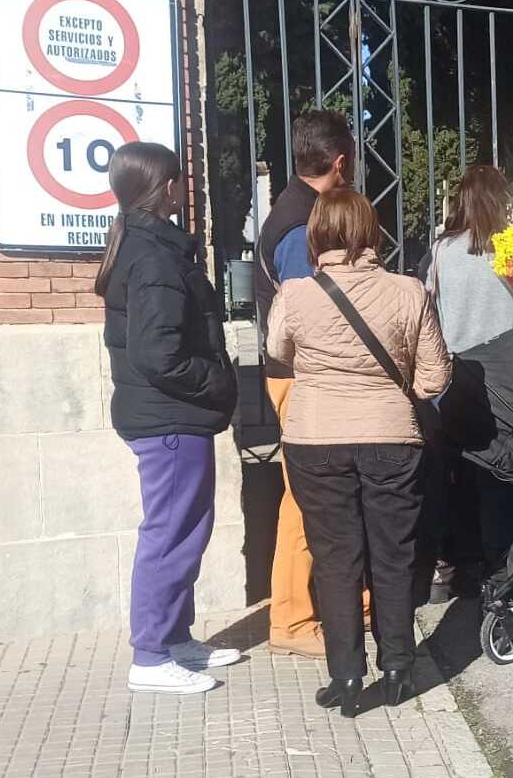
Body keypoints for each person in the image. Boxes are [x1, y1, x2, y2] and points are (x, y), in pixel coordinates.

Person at [265, 188, 452, 716]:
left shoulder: (296, 293)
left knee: (335, 557)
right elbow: (436, 374)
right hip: (391, 438)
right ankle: (398, 666)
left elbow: (278, 351)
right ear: (371, 233)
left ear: (317, 233)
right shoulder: (409, 291)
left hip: (314, 438)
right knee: (393, 554)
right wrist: (391, 395)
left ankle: (345, 677)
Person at [96, 143, 244, 695]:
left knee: (186, 529)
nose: (189, 189)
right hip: (170, 419)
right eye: (180, 180)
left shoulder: (147, 246)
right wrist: (216, 383)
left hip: (171, 416)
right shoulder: (153, 256)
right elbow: (157, 354)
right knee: (171, 534)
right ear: (162, 188)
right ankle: (151, 657)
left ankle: (175, 638)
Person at [255, 110, 358, 658]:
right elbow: (306, 311)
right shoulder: (299, 224)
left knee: (323, 495)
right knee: (304, 499)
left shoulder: (296, 211)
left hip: (306, 377)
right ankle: (293, 622)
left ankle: (336, 605)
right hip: (301, 378)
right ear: (339, 162)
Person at [422, 166, 513, 580]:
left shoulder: (441, 252)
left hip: (462, 378)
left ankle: (470, 559)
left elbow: (429, 308)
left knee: (471, 471)